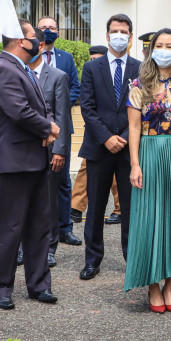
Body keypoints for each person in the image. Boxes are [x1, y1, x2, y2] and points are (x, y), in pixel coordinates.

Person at [0, 18, 61, 310]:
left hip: (35, 160)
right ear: (20, 40)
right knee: (9, 228)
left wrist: (49, 123)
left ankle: (39, 285)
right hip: (13, 162)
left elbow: (43, 107)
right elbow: (19, 111)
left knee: (38, 227)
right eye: (34, 36)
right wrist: (48, 129)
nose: (39, 41)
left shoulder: (24, 69)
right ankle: (1, 287)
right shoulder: (3, 70)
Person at [125, 28, 171, 312]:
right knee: (151, 221)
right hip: (150, 153)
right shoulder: (138, 84)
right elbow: (133, 128)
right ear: (151, 49)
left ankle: (170, 287)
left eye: (170, 45)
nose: (165, 49)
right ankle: (152, 287)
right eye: (160, 45)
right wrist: (135, 164)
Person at [78, 14, 141, 280]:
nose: (119, 35)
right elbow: (87, 108)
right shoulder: (92, 68)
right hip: (98, 147)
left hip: (130, 148)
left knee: (129, 207)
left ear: (130, 36)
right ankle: (93, 259)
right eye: (114, 31)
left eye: (124, 31)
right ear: (107, 36)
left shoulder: (140, 68)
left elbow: (143, 108)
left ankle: (133, 257)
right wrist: (106, 138)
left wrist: (124, 136)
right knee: (96, 206)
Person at [27, 28, 72, 268]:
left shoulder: (57, 76)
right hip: (22, 150)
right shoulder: (16, 73)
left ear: (41, 46)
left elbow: (63, 116)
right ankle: (25, 247)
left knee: (49, 202)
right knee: (24, 201)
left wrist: (60, 150)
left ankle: (49, 247)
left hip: (49, 149)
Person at [36, 17, 81, 244]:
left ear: (58, 32)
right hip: (37, 125)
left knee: (62, 181)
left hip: (62, 126)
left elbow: (75, 87)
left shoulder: (66, 58)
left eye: (51, 28)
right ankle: (43, 230)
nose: (47, 31)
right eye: (43, 28)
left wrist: (58, 105)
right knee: (40, 181)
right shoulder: (32, 55)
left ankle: (65, 228)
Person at [70, 45, 121, 230]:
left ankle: (120, 209)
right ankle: (76, 207)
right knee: (86, 170)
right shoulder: (90, 72)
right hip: (97, 134)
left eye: (97, 58)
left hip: (121, 134)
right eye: (91, 59)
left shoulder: (121, 71)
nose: (94, 61)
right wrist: (104, 135)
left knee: (118, 175)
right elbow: (87, 106)